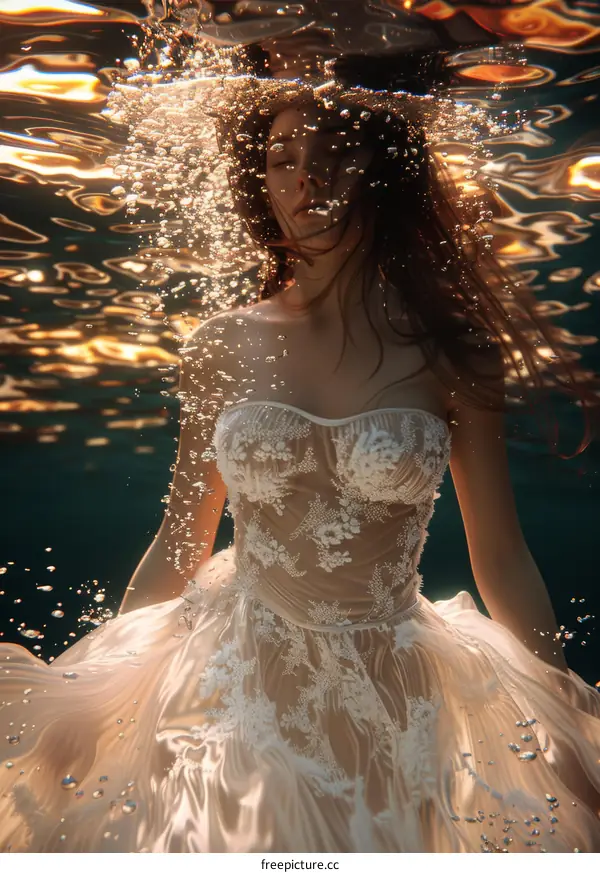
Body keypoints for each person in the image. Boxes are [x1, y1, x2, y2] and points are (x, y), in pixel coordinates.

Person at [1, 70, 599, 854]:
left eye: (334, 152)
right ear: (260, 179)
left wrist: (565, 723)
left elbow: (503, 557)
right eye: (283, 156)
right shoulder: (219, 346)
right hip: (231, 678)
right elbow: (182, 543)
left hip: (394, 694)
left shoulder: (453, 352)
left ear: (386, 165)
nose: (307, 178)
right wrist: (97, 703)